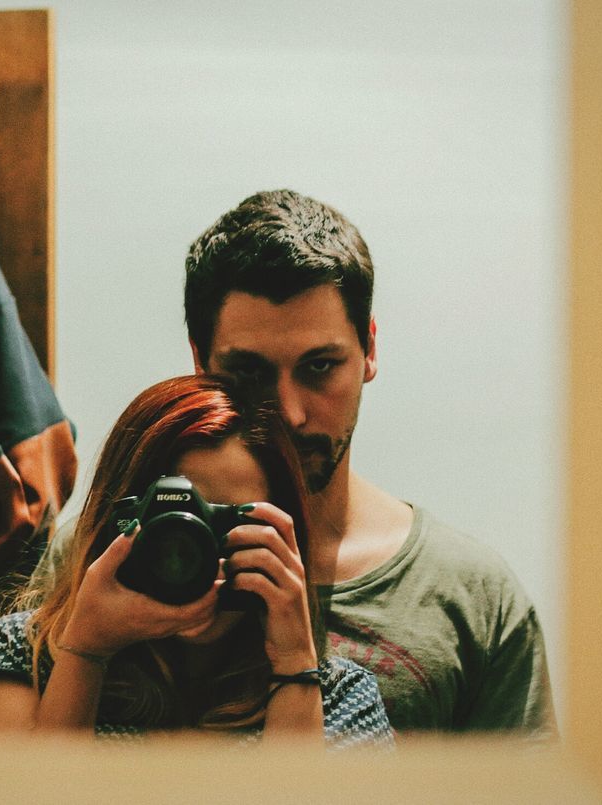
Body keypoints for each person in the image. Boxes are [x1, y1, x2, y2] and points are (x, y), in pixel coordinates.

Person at [183, 189, 557, 735]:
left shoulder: (470, 596)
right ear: (199, 362)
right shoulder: (113, 556)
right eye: (250, 373)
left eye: (319, 367)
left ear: (370, 351)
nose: (288, 412)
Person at [0, 375, 393, 749]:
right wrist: (85, 653)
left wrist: (294, 662)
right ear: (114, 519)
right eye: (173, 522)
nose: (193, 551)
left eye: (224, 524)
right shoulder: (23, 656)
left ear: (284, 531)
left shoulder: (337, 698)